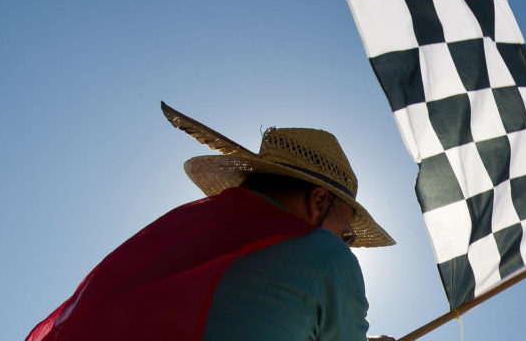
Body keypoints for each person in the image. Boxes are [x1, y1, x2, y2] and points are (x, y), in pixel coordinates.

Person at [25, 103, 396, 341]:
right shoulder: (325, 256)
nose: (344, 242)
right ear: (318, 201)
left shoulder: (180, 233)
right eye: (346, 233)